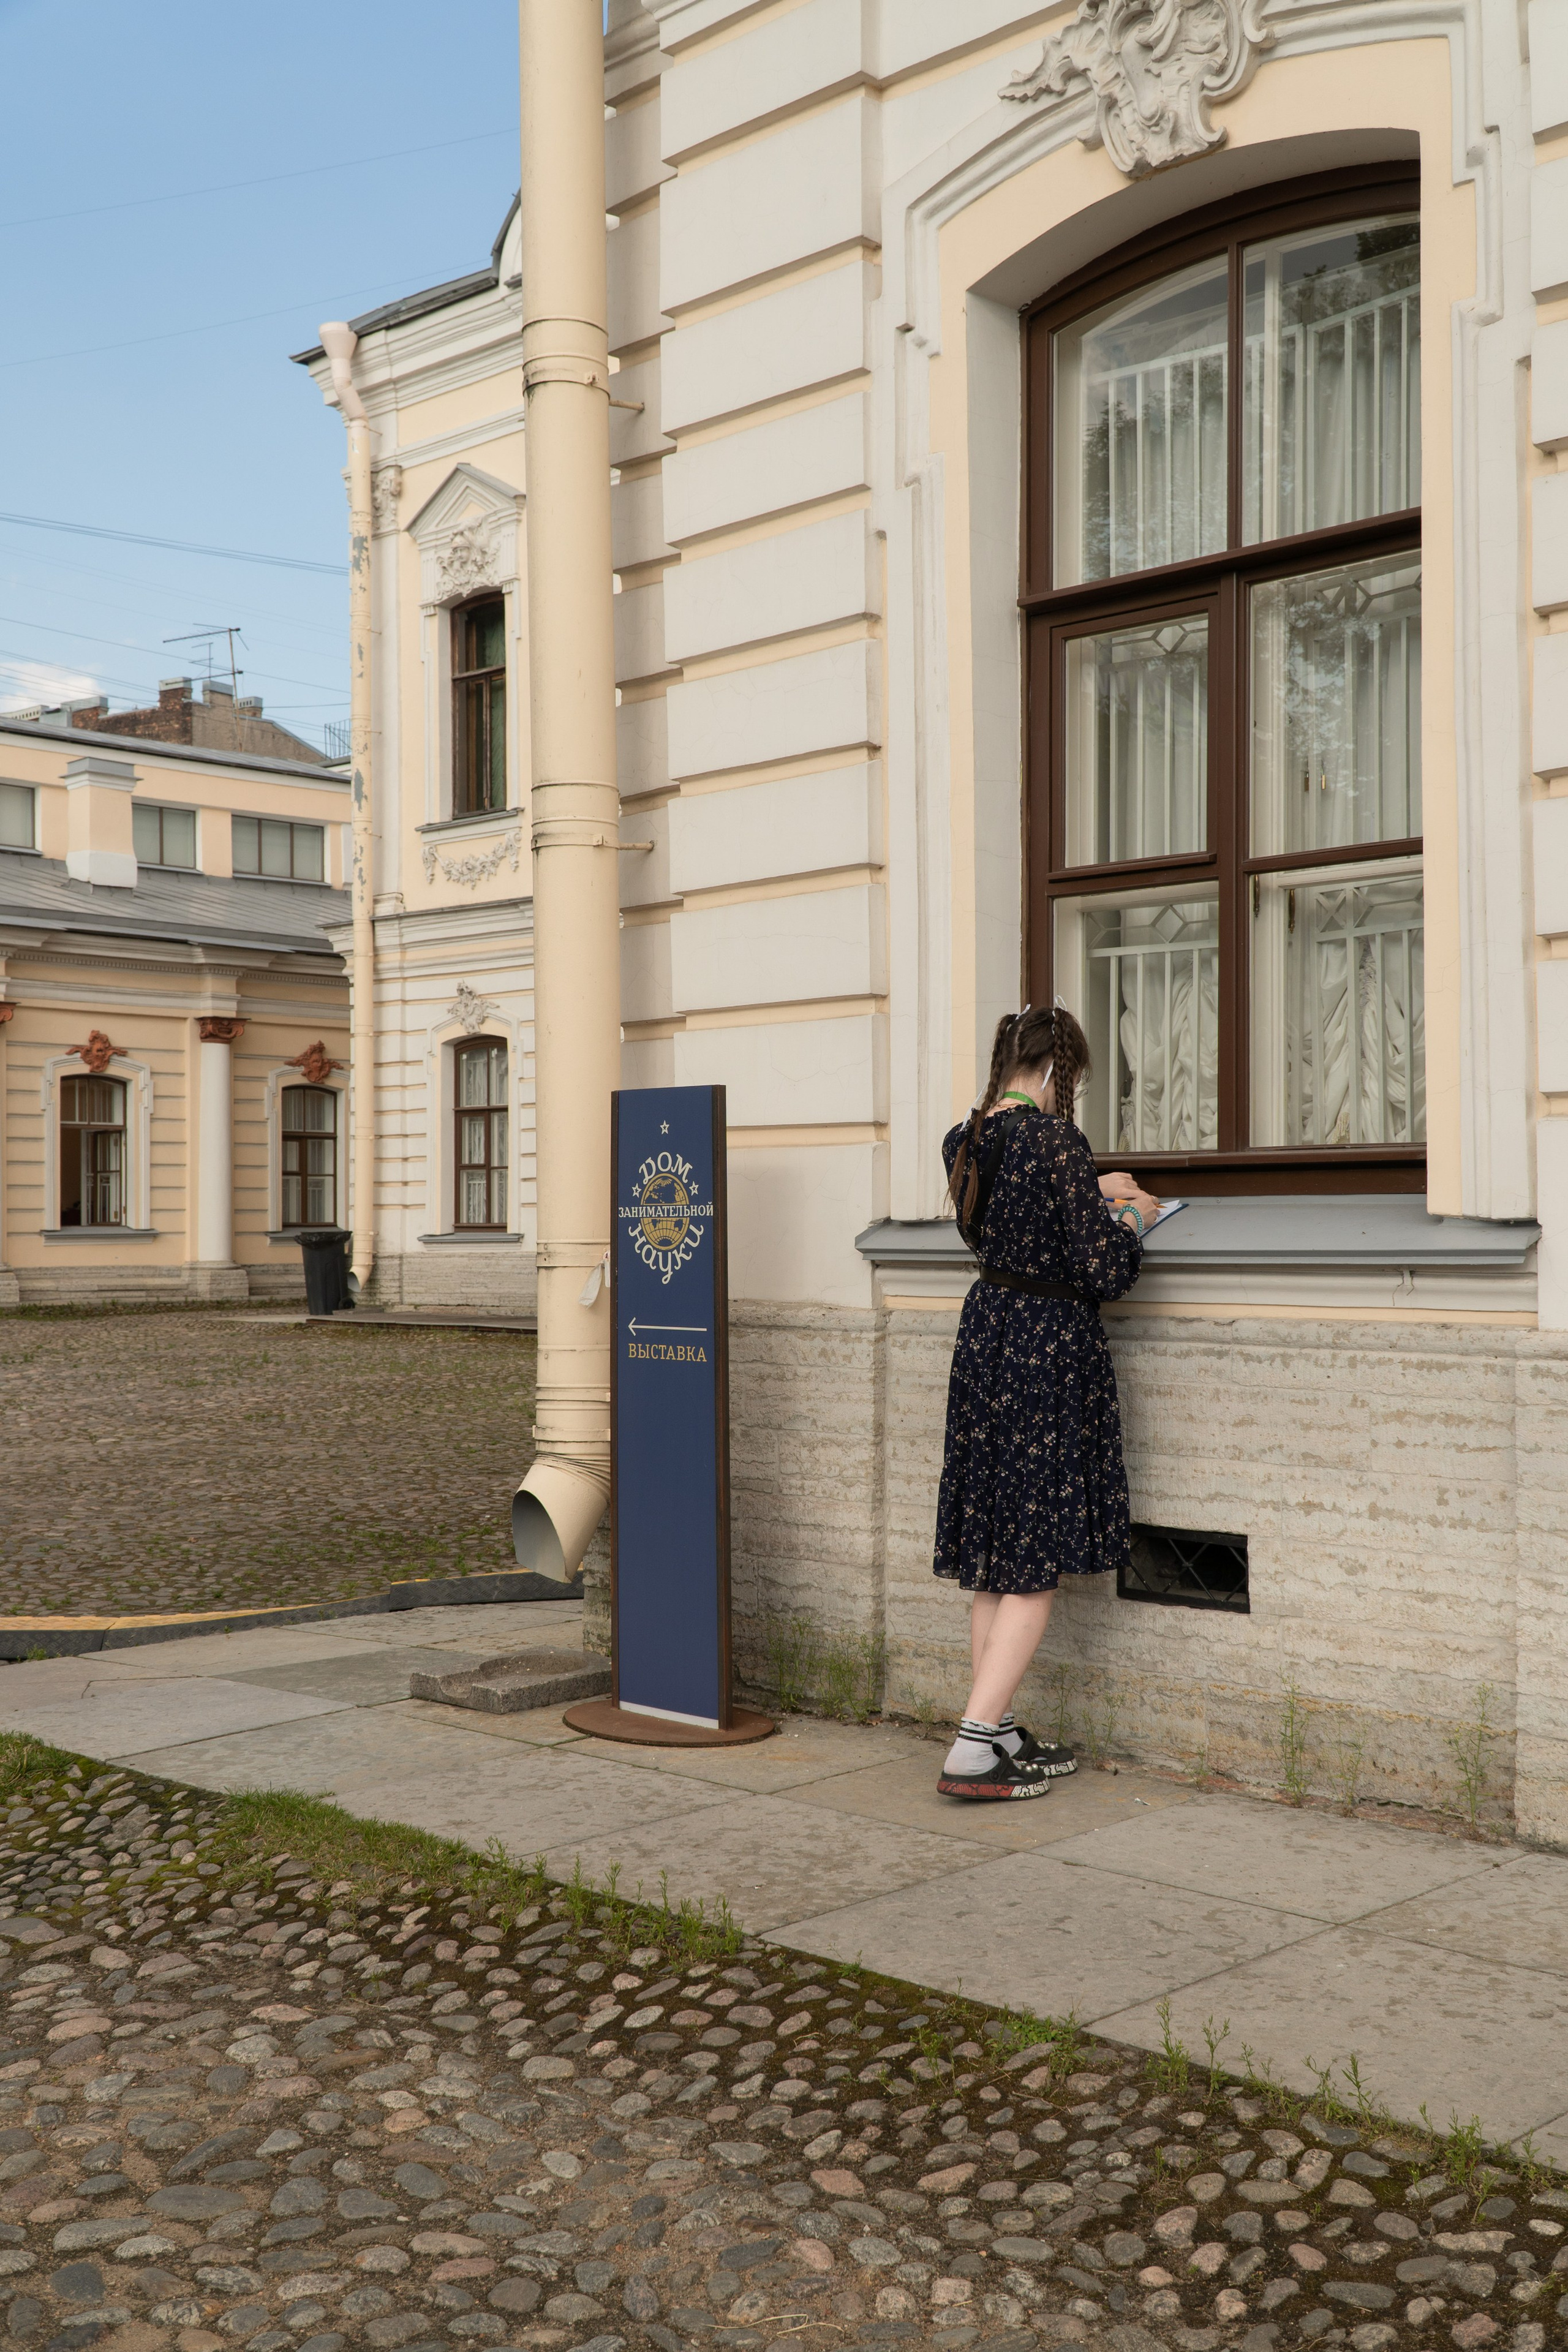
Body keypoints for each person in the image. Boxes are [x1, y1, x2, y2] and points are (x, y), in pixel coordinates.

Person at [932, 1003, 1159, 1800]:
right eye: (1078, 1079)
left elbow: (1005, 1222)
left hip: (987, 1339)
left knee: (996, 1554)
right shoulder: (1056, 1141)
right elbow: (1103, 1271)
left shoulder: (970, 1140)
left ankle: (992, 1726)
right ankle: (970, 1750)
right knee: (1033, 1563)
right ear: (1061, 1071)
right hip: (1045, 1351)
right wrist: (1130, 1219)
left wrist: (1086, 1187)